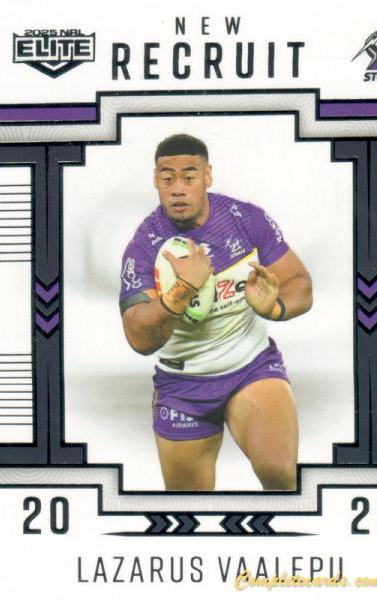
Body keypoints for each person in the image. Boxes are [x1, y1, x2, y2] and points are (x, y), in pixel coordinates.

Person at [119, 133, 312, 491]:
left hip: (251, 367)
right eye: (167, 178)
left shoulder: (245, 219)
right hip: (183, 386)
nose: (178, 189)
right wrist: (182, 289)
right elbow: (138, 337)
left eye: (188, 177)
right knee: (188, 506)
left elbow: (300, 283)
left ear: (207, 176)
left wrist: (274, 307)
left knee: (280, 476)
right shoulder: (143, 246)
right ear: (155, 181)